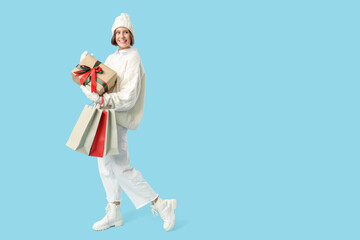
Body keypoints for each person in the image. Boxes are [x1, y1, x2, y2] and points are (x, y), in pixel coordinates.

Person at [79, 13, 177, 232]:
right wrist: (86, 75)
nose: (122, 36)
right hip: (105, 116)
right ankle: (114, 212)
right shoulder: (112, 57)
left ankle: (162, 205)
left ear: (131, 36)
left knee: (120, 167)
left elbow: (129, 95)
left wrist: (103, 99)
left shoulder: (134, 57)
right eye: (118, 32)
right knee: (104, 165)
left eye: (125, 32)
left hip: (118, 118)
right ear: (113, 36)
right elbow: (102, 82)